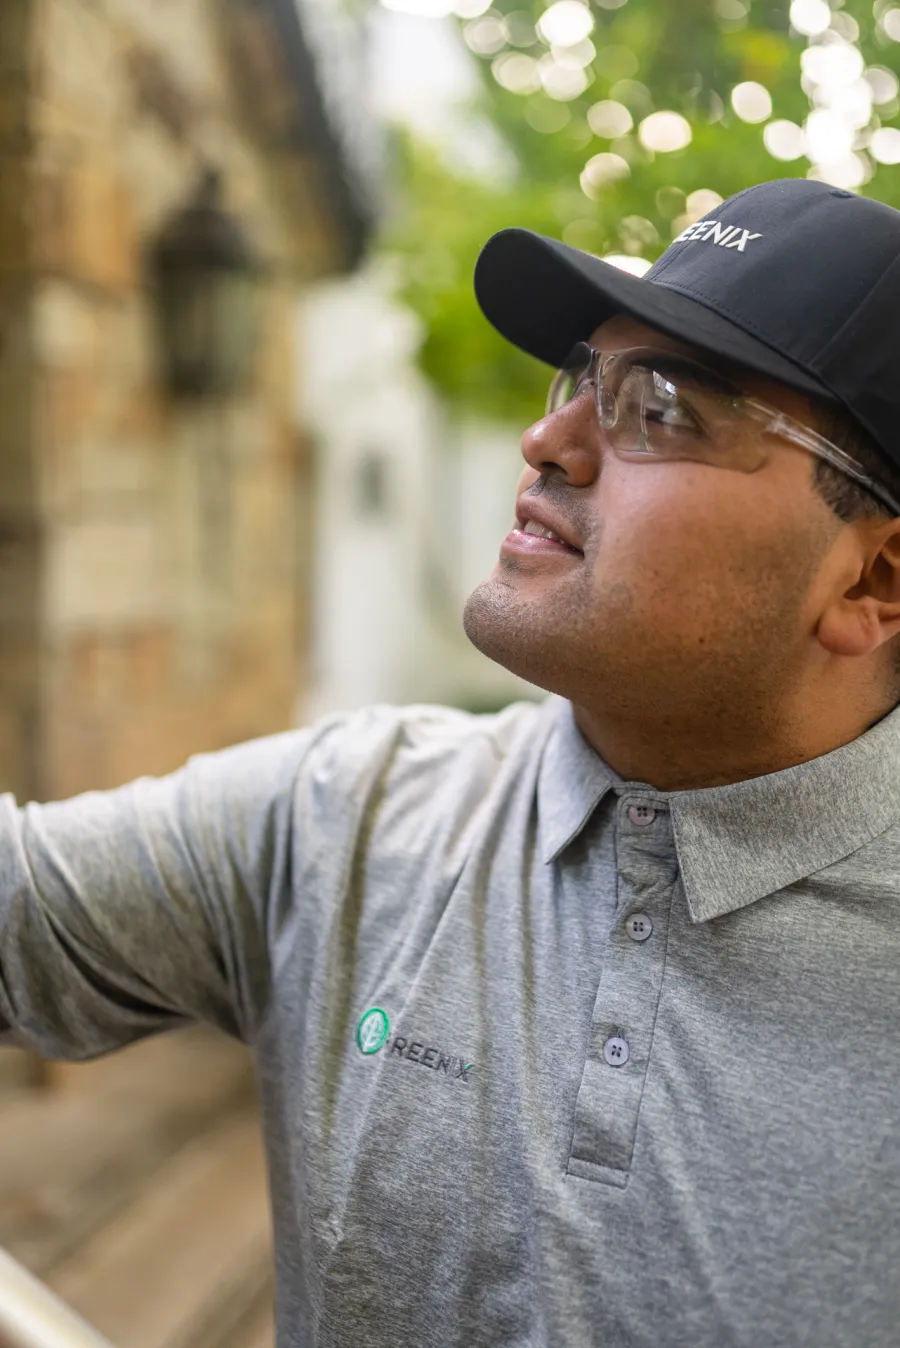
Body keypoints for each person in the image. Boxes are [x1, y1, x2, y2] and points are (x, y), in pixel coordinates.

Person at [3, 176, 900, 1347]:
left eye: (666, 408)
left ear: (872, 582)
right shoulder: (349, 814)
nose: (549, 439)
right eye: (584, 375)